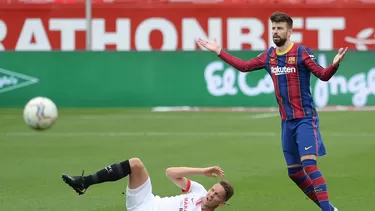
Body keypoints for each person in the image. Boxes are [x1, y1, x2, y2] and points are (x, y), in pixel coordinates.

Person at [198, 11, 346, 211]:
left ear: (290, 31)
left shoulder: (301, 52)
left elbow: (323, 75)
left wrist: (334, 65)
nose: (275, 32)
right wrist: (219, 51)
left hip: (305, 119)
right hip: (287, 122)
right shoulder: (270, 56)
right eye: (273, 28)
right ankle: (330, 208)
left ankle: (327, 209)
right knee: (294, 173)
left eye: (280, 28)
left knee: (309, 166)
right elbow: (244, 66)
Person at [61, 157, 234, 211]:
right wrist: (202, 171)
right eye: (213, 190)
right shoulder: (199, 191)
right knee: (135, 164)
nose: (211, 194)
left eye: (217, 195)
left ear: (222, 203)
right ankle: (84, 182)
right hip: (147, 201)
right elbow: (170, 173)